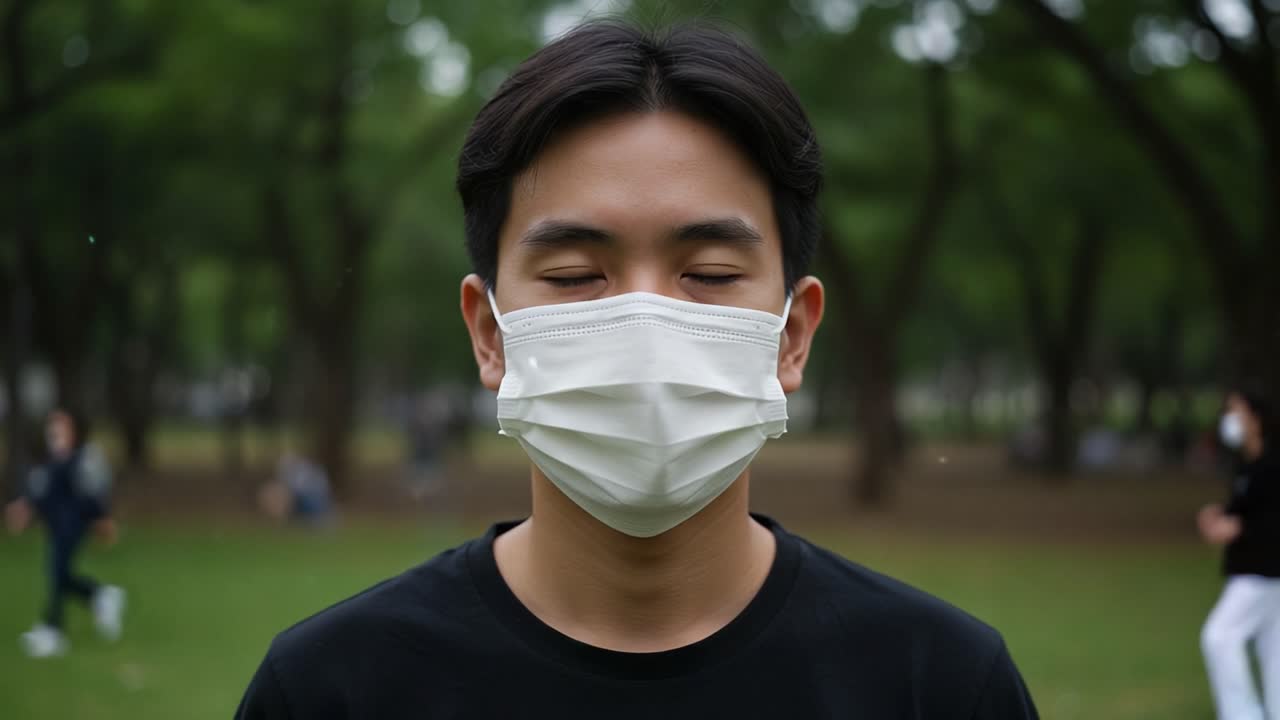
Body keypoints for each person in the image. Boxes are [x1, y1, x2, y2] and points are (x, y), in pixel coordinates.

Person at [236, 21, 1038, 718]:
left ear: (792, 335)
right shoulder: (331, 692)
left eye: (712, 274)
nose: (645, 322)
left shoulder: (942, 687)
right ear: (490, 334)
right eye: (576, 276)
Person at [4, 408, 126, 658]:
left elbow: (94, 491)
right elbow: (40, 493)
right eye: (53, 427)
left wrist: (102, 519)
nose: (55, 432)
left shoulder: (84, 458)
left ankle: (53, 630)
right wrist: (24, 508)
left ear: (74, 431)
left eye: (61, 427)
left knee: (56, 571)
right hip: (56, 525)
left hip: (73, 525)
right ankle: (100, 595)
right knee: (61, 574)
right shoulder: (50, 461)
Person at [1199, 388, 1280, 720]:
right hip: (1260, 573)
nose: (1228, 420)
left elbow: (1267, 521)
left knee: (1218, 637)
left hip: (1261, 573)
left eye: (1235, 411)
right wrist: (1219, 518)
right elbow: (1241, 512)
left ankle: (1242, 715)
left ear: (1255, 419)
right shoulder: (1249, 469)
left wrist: (1238, 528)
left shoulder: (1272, 467)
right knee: (1274, 652)